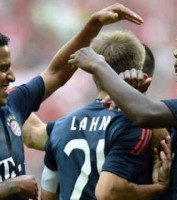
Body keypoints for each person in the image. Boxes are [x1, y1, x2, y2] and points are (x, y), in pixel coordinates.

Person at [0, 3, 143, 199]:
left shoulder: (13, 103)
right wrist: (9, 187)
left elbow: (57, 73)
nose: (12, 77)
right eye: (3, 69)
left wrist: (93, 25)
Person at [68, 10, 177, 200]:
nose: (176, 52)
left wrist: (99, 64)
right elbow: (154, 120)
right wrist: (132, 95)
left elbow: (145, 113)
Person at [24, 30, 171, 200]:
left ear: (92, 71)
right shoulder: (139, 126)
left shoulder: (59, 129)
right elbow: (169, 149)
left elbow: (48, 197)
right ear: (140, 70)